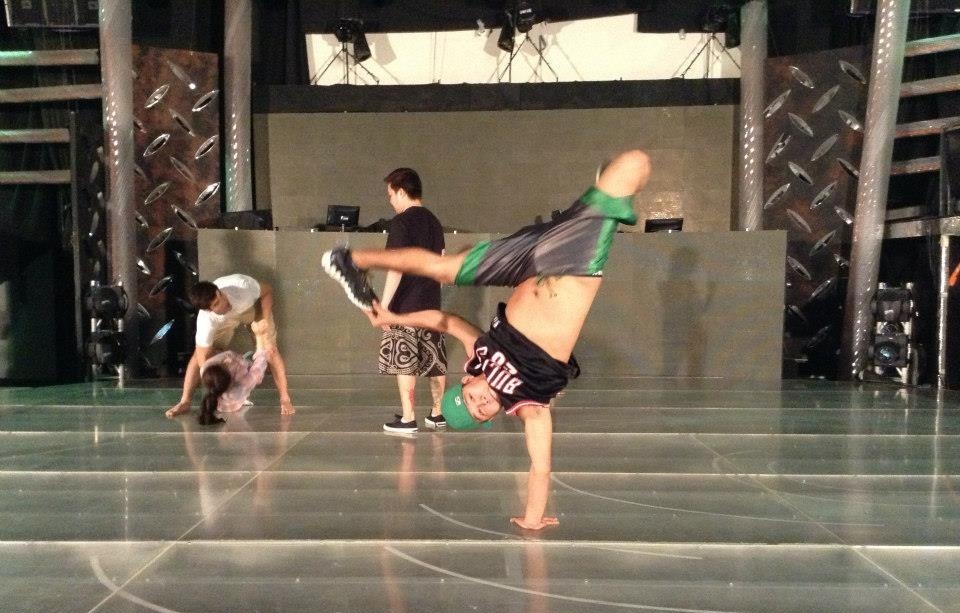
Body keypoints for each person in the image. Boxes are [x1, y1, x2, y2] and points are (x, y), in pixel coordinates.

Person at [321, 149, 651, 530]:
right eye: (480, 410)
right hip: (572, 264)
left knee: (445, 270)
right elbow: (540, 466)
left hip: (523, 263)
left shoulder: (480, 354)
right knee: (637, 162)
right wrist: (532, 518)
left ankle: (350, 260)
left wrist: (395, 317)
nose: (480, 400)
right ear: (492, 418)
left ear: (468, 379)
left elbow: (446, 321)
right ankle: (605, 188)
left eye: (470, 397)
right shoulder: (529, 405)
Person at [165, 273, 295, 418]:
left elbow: (267, 290)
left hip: (252, 308)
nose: (220, 307)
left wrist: (264, 319)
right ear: (208, 310)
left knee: (270, 350)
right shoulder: (207, 321)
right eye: (214, 307)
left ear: (218, 292)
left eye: (218, 301)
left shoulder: (243, 287)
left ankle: (285, 399)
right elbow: (204, 363)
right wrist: (225, 387)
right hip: (224, 321)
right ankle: (185, 401)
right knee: (200, 356)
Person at [378, 167, 447, 434]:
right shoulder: (434, 222)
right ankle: (437, 414)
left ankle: (408, 418)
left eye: (391, 195)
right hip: (431, 303)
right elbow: (442, 262)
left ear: (401, 191)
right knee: (434, 360)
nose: (390, 201)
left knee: (404, 360)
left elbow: (396, 267)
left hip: (405, 305)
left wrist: (385, 307)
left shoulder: (401, 222)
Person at [196, 347, 273, 425]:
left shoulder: (206, 368)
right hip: (234, 401)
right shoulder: (241, 386)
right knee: (253, 372)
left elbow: (228, 353)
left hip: (229, 385)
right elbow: (258, 370)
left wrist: (238, 359)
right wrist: (262, 353)